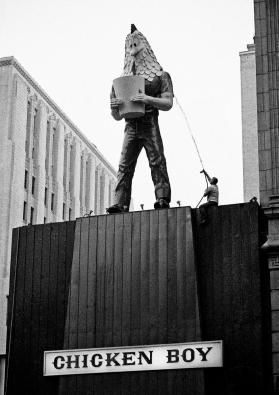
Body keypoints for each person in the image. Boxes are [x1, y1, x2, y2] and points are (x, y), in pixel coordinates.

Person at [107, 25, 173, 214]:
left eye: (136, 44)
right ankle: (120, 202)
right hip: (130, 126)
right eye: (130, 46)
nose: (133, 49)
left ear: (145, 46)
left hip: (150, 121)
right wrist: (114, 108)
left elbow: (168, 102)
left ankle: (162, 197)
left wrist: (147, 99)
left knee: (157, 159)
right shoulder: (120, 82)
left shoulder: (161, 76)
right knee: (124, 164)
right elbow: (116, 116)